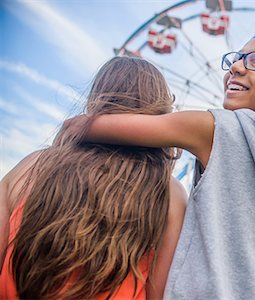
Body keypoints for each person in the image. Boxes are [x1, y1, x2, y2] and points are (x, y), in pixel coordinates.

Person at [70, 25, 255, 299]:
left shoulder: (219, 128)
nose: (236, 67)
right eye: (236, 58)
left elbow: (89, 127)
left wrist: (68, 132)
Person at [0, 56, 188, 299]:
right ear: (161, 106)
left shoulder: (31, 166)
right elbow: (160, 293)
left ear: (96, 99)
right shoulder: (170, 194)